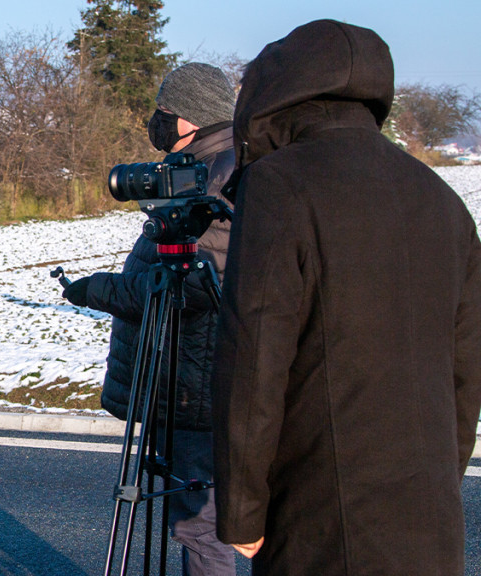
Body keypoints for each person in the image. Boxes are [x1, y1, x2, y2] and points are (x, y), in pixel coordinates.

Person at [211, 20, 481, 575]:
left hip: (321, 514)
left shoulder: (280, 184)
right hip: (429, 516)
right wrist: (438, 485)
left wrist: (242, 512)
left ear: (275, 94)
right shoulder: (443, 200)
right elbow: (465, 374)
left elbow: (255, 357)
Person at [62, 62, 238, 575]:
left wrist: (100, 289)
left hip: (194, 384)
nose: (156, 122)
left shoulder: (221, 176)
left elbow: (192, 286)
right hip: (181, 378)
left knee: (200, 526)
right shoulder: (203, 168)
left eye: (164, 112)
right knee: (195, 523)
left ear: (191, 118)